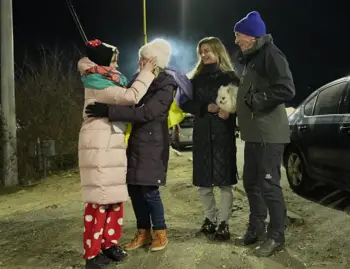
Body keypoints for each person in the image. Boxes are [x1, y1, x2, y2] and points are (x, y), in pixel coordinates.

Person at [85, 38, 176, 253]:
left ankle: (160, 232)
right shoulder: (137, 79)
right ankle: (142, 232)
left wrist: (109, 111)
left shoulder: (166, 83)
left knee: (149, 190)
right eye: (139, 57)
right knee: (135, 189)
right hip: (134, 142)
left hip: (153, 144)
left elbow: (146, 112)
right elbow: (124, 98)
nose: (139, 62)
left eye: (144, 58)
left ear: (155, 61)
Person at [77, 39, 157, 269]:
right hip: (99, 145)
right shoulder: (97, 81)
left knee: (113, 197)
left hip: (111, 143)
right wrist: (146, 72)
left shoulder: (108, 78)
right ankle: (92, 254)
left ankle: (109, 243)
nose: (116, 63)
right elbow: (131, 97)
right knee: (99, 200)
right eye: (113, 59)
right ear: (102, 60)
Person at [233, 11, 296, 257]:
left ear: (251, 36)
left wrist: (256, 100)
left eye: (238, 35)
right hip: (254, 134)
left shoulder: (271, 54)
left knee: (269, 185)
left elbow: (287, 88)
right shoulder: (253, 58)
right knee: (251, 182)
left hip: (269, 133)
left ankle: (276, 236)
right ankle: (257, 227)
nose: (236, 40)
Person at [180, 37, 239, 241]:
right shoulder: (194, 78)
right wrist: (205, 107)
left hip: (223, 134)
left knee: (225, 184)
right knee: (204, 183)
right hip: (203, 135)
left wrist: (230, 112)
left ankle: (223, 222)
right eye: (201, 51)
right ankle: (210, 219)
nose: (204, 54)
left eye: (208, 51)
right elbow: (184, 103)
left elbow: (239, 102)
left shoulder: (230, 76)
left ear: (218, 52)